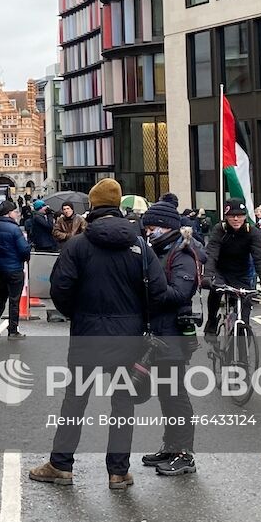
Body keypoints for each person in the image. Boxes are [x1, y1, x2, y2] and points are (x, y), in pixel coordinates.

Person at [29, 178, 169, 490]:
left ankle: (61, 464)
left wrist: (76, 315)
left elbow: (59, 289)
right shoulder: (140, 247)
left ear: (92, 206)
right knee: (123, 403)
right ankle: (118, 471)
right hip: (128, 338)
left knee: (75, 399)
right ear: (119, 206)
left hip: (88, 335)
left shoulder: (78, 245)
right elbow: (158, 292)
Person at [138, 198, 200, 477]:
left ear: (165, 227)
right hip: (161, 333)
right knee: (166, 393)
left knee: (176, 395)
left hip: (174, 334)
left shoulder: (182, 254)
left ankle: (184, 454)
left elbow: (179, 293)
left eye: (152, 227)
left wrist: (148, 294)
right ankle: (171, 446)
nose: (149, 232)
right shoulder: (162, 251)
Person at [204, 199, 261, 335]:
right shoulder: (220, 230)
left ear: (245, 217)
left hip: (242, 273)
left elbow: (259, 258)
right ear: (226, 217)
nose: (236, 219)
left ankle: (243, 344)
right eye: (232, 215)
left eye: (239, 215)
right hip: (221, 270)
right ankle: (211, 321)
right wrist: (208, 275)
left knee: (244, 316)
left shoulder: (252, 232)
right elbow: (212, 254)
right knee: (215, 292)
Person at [0, 200, 31, 339]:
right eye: (15, 212)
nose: (17, 214)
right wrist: (27, 252)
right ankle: (13, 330)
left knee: (0, 298)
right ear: (9, 213)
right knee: (14, 300)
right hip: (14, 268)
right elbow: (24, 249)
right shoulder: (15, 229)